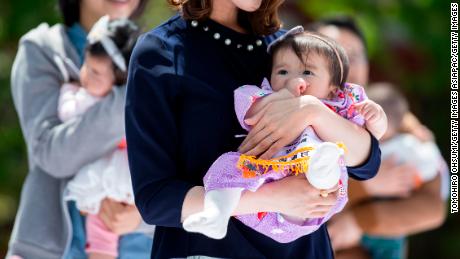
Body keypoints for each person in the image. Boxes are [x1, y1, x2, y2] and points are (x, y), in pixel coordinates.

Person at [125, 1, 381, 258]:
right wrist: (272, 198)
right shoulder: (160, 51)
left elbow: (366, 162)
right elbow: (155, 199)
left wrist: (312, 110)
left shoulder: (291, 50)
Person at [183, 27, 387, 242]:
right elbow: (252, 114)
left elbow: (369, 142)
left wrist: (377, 118)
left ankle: (322, 168)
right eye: (282, 72)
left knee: (326, 170)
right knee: (226, 168)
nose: (294, 78)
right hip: (263, 173)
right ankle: (216, 214)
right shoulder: (264, 95)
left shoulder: (340, 106)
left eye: (307, 72)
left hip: (310, 191)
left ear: (333, 89)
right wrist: (286, 95)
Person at [7, 0, 153, 258]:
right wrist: (132, 94)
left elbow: (180, 164)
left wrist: (145, 215)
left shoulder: (160, 54)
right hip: (55, 250)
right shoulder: (44, 49)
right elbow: (53, 155)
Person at [310, 17, 446, 259]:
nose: (346, 63)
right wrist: (367, 186)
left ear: (367, 66)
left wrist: (357, 221)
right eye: (333, 51)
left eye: (355, 54)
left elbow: (433, 209)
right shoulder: (299, 119)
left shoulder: (391, 119)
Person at [57, 16, 141, 259]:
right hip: (132, 172)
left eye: (94, 72)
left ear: (119, 79)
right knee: (103, 223)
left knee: (100, 225)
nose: (84, 75)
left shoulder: (88, 102)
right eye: (85, 65)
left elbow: (67, 112)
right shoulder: (136, 101)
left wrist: (68, 91)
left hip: (111, 170)